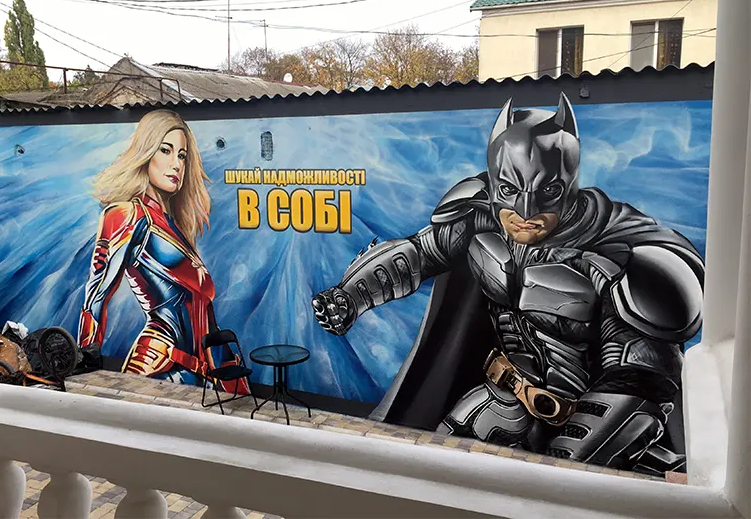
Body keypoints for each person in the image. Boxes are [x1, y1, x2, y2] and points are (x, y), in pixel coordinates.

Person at [311, 93, 703, 475]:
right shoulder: (479, 215)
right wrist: (350, 296)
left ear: (569, 183)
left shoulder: (616, 244)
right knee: (432, 474)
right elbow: (421, 253)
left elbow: (641, 376)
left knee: (558, 493)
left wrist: (570, 458)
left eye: (548, 192)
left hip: (587, 421)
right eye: (510, 191)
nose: (526, 211)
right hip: (503, 398)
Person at [79, 110, 249, 395]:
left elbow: (209, 325)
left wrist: (236, 387)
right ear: (146, 153)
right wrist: (83, 366)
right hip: (157, 369)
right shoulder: (127, 215)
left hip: (196, 374)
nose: (176, 164)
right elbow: (96, 295)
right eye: (166, 150)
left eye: (182, 156)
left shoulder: (176, 228)